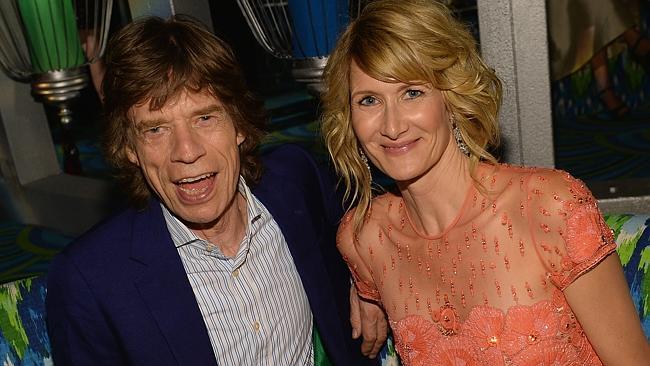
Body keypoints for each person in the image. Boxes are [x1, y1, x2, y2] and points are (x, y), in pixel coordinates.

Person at [321, 0, 650, 365]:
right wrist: (364, 292)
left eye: (412, 92)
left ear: (452, 94)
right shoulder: (365, 239)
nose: (392, 126)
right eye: (369, 100)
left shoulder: (549, 208)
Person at [45, 15, 383, 365]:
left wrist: (367, 283)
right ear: (130, 148)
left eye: (205, 118)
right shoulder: (89, 281)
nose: (187, 152)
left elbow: (372, 216)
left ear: (239, 125)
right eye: (155, 130)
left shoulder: (296, 182)